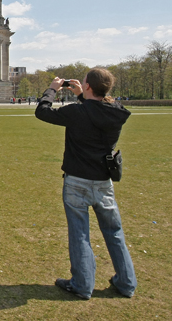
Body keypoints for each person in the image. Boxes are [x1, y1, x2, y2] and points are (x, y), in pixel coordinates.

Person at [35, 68, 136, 300]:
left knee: (80, 234)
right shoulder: (116, 112)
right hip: (103, 182)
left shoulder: (77, 113)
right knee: (115, 233)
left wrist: (52, 89)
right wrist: (83, 96)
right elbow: (97, 111)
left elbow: (42, 112)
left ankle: (82, 284)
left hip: (77, 181)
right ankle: (127, 283)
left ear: (88, 86)